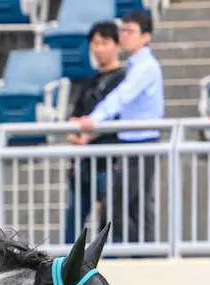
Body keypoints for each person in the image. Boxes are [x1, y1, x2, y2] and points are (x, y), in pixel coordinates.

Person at [71, 10, 165, 244]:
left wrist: (93, 119)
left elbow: (122, 97)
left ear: (146, 37)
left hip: (141, 143)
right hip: (131, 143)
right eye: (123, 30)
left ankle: (141, 254)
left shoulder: (146, 67)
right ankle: (142, 252)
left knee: (122, 206)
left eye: (130, 31)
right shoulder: (135, 65)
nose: (124, 36)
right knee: (132, 206)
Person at [63, 21, 126, 243]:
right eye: (95, 43)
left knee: (110, 220)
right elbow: (73, 117)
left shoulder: (125, 79)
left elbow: (119, 117)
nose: (99, 48)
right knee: (72, 221)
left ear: (117, 45)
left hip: (109, 161)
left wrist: (89, 134)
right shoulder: (87, 81)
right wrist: (75, 135)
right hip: (83, 164)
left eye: (105, 42)